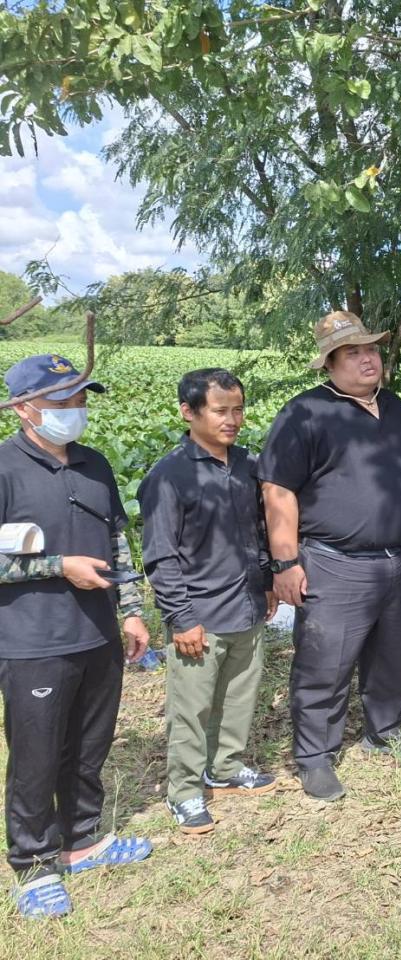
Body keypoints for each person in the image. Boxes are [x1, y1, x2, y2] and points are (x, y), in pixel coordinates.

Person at [257, 312, 401, 802]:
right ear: (330, 364)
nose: (366, 358)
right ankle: (316, 756)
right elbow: (277, 490)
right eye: (352, 352)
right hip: (335, 562)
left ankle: (385, 728)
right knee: (324, 662)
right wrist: (285, 563)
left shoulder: (397, 409)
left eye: (371, 349)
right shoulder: (305, 413)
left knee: (395, 653)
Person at [0, 354, 152, 918]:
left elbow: (117, 543)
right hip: (32, 639)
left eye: (81, 399)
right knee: (36, 754)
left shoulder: (95, 464)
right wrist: (57, 565)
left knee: (90, 745)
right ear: (24, 409)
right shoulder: (4, 468)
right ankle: (33, 863)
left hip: (97, 633)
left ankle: (82, 839)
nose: (76, 411)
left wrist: (132, 611)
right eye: (63, 402)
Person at [139, 369, 278, 835]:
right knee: (192, 708)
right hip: (200, 613)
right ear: (188, 411)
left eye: (238, 409)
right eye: (221, 410)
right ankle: (183, 791)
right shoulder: (169, 476)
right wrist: (181, 618)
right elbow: (160, 555)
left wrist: (267, 582)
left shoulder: (246, 465)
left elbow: (259, 532)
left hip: (247, 605)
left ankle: (226, 767)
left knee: (239, 696)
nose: (233, 419)